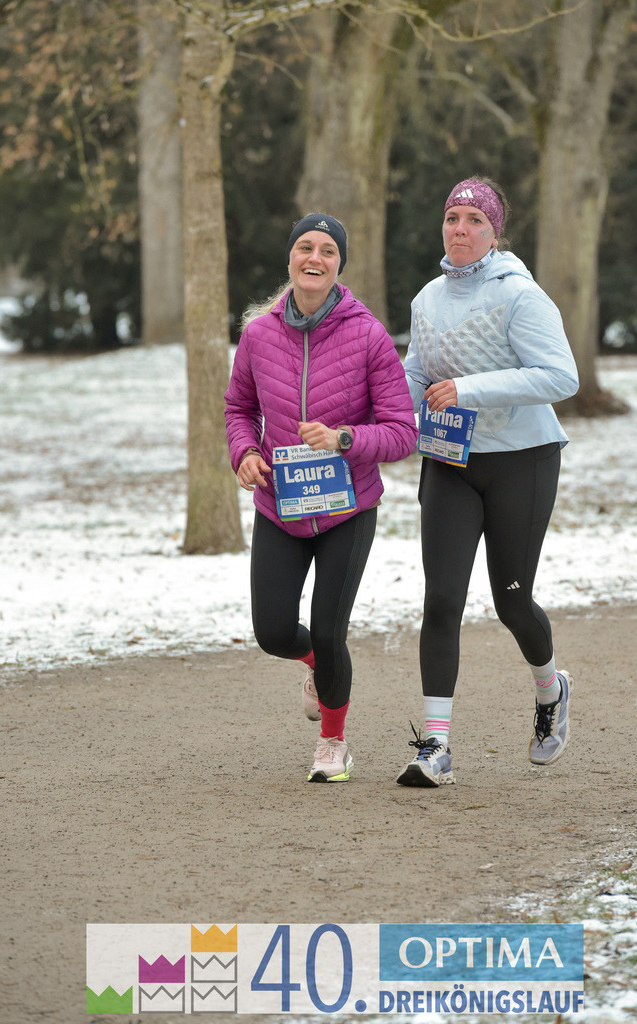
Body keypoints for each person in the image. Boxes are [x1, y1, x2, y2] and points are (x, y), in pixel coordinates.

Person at [397, 176, 579, 788]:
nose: (461, 228)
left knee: (511, 601)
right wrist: (380, 406)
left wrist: (468, 390)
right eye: (453, 217)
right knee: (441, 599)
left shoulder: (520, 295)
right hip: (450, 460)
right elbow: (416, 373)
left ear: (494, 232)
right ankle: (436, 747)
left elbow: (561, 376)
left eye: (475, 220)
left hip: (522, 460)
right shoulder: (427, 299)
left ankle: (551, 689)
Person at [225, 213, 417, 783]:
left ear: (339, 265)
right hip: (280, 506)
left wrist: (344, 439)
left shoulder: (368, 335)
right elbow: (239, 409)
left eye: (328, 250)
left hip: (346, 509)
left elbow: (402, 432)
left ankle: (333, 743)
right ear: (290, 259)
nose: (315, 257)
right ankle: (315, 664)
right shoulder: (259, 335)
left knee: (330, 631)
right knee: (273, 632)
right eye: (305, 247)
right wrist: (245, 453)